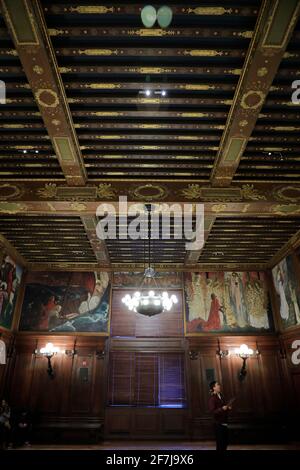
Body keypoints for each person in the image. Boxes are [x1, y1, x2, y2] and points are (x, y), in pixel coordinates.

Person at [208, 381, 232, 452]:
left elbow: (224, 408)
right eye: (217, 385)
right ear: (214, 388)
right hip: (218, 424)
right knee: (220, 444)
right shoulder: (212, 398)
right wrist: (222, 409)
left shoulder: (221, 396)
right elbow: (212, 411)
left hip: (225, 422)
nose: (219, 386)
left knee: (225, 443)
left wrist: (228, 408)